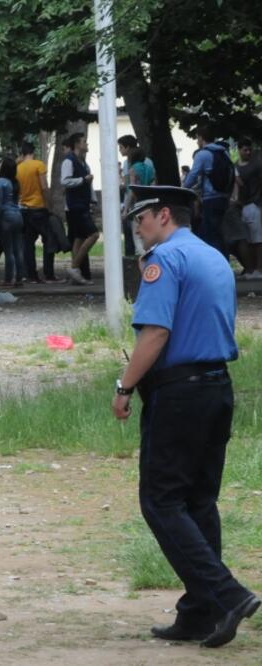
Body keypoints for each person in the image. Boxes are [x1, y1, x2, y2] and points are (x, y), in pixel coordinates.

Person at [113, 185, 259, 649]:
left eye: (140, 218)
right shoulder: (213, 257)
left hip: (178, 394)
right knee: (198, 501)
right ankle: (200, 613)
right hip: (216, 388)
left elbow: (156, 333)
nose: (137, 228)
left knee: (161, 501)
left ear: (163, 215)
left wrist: (125, 386)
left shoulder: (165, 260)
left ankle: (226, 595)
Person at [183, 126, 233, 254]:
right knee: (220, 234)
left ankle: (215, 262)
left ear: (201, 137)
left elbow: (192, 177)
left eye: (197, 138)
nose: (197, 141)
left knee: (210, 235)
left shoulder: (203, 154)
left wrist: (182, 189)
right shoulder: (224, 152)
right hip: (224, 198)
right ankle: (224, 260)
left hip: (211, 199)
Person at [16, 142, 58, 283]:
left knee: (28, 243)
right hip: (39, 208)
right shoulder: (39, 165)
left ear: (22, 153)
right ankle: (49, 274)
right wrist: (49, 205)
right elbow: (44, 187)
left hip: (24, 209)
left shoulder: (18, 168)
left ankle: (31, 275)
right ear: (33, 152)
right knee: (49, 239)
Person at [61, 132, 99, 285]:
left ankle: (76, 273)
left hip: (83, 204)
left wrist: (92, 199)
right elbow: (65, 181)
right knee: (94, 234)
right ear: (77, 144)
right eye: (84, 141)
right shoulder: (68, 161)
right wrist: (83, 180)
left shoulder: (83, 162)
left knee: (79, 238)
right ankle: (74, 266)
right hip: (75, 206)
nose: (87, 144)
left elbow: (88, 184)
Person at [0, 158, 25, 286]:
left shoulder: (0, 182)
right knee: (18, 249)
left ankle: (8, 278)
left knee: (9, 250)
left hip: (6, 216)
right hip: (18, 215)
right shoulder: (15, 182)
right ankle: (19, 277)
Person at [235, 138, 262, 278]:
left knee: (257, 239)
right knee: (248, 239)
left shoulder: (256, 165)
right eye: (245, 150)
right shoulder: (235, 166)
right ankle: (251, 268)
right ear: (239, 150)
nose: (248, 152)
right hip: (242, 206)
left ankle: (259, 269)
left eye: (249, 149)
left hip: (254, 204)